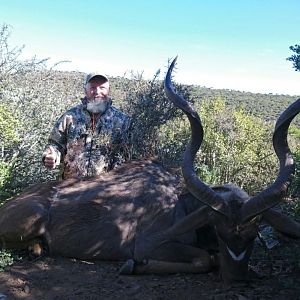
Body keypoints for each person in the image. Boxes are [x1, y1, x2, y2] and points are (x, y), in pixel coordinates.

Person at [42, 72, 131, 179]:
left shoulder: (122, 120)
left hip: (106, 190)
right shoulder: (69, 117)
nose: (97, 92)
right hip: (70, 187)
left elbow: (129, 156)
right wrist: (51, 157)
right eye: (93, 87)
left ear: (109, 90)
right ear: (85, 90)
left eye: (102, 87)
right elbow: (55, 145)